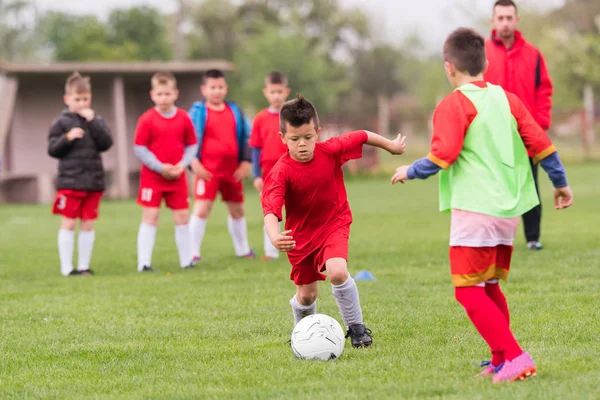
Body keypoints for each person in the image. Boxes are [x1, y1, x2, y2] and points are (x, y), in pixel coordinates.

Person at [391, 28, 573, 383]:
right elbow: (542, 144)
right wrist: (562, 184)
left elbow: (443, 155)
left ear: (449, 68)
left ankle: (518, 357)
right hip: (507, 212)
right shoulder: (508, 99)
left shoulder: (454, 103)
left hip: (475, 210)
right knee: (489, 287)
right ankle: (501, 361)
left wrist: (409, 170)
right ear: (485, 63)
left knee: (466, 292)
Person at [261, 95, 406, 348]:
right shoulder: (281, 171)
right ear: (282, 138)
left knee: (338, 271)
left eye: (308, 137)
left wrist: (391, 146)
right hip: (301, 237)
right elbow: (271, 209)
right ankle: (303, 333)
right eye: (295, 139)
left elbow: (362, 135)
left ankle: (357, 329)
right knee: (307, 296)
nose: (303, 145)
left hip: (334, 223)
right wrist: (274, 236)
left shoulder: (330, 150)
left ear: (318, 132)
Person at [484, 0, 553, 250]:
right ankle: (495, 240)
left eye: (509, 17)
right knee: (495, 188)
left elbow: (544, 89)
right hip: (492, 136)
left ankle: (533, 238)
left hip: (527, 135)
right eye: (500, 18)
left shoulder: (533, 54)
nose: (505, 22)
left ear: (517, 20)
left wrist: (541, 123)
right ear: (493, 21)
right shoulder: (482, 54)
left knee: (529, 187)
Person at [48, 72, 113, 276]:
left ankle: (84, 266)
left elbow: (106, 144)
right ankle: (67, 267)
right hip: (70, 181)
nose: (82, 103)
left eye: (85, 99)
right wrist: (67, 138)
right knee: (68, 222)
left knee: (88, 223)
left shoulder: (96, 121)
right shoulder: (60, 122)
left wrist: (94, 122)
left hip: (93, 181)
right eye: (77, 99)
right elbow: (52, 149)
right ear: (67, 99)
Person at [134, 71, 198, 272]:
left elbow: (191, 145)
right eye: (159, 94)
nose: (163, 98)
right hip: (153, 178)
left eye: (167, 94)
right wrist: (161, 167)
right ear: (152, 95)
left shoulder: (184, 117)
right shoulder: (146, 119)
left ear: (175, 94)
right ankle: (144, 263)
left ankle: (186, 261)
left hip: (177, 176)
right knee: (150, 216)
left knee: (182, 217)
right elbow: (140, 148)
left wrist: (182, 164)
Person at [188, 69, 255, 261]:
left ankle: (242, 250)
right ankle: (192, 252)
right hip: (207, 171)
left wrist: (246, 161)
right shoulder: (198, 113)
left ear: (225, 88)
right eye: (212, 87)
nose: (216, 91)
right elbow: (188, 138)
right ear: (204, 89)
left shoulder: (235, 111)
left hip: (232, 171)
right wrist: (193, 162)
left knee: (237, 210)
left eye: (220, 87)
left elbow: (248, 137)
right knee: (202, 208)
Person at [249, 71, 291, 260]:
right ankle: (271, 252)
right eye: (272, 92)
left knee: (294, 209)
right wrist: (256, 175)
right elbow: (256, 148)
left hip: (291, 169)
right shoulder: (260, 118)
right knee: (271, 210)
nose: (276, 95)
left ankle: (298, 247)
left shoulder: (292, 116)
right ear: (266, 92)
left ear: (286, 92)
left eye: (279, 91)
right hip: (268, 173)